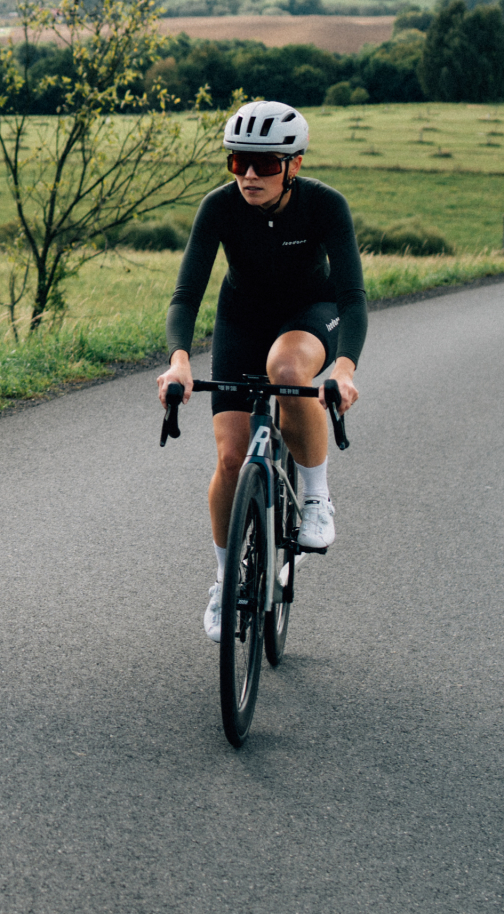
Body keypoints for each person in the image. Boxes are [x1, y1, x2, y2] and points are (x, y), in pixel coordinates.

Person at [156, 101, 365, 642]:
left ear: (294, 165)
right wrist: (179, 360)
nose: (249, 174)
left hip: (311, 312)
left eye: (265, 164)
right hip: (242, 318)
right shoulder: (219, 206)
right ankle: (226, 582)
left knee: (286, 368)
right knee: (231, 457)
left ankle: (315, 497)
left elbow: (352, 297)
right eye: (238, 161)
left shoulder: (324, 205)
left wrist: (344, 369)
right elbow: (186, 295)